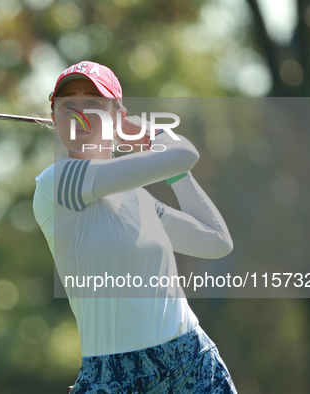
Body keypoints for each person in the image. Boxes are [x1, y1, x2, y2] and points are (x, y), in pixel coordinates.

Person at [33, 61, 237, 393]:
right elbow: (183, 151)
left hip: (191, 363)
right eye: (68, 104)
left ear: (117, 116)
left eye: (94, 103)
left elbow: (216, 241)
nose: (80, 111)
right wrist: (155, 135)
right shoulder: (55, 182)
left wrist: (177, 175)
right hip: (112, 378)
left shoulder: (139, 199)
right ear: (54, 117)